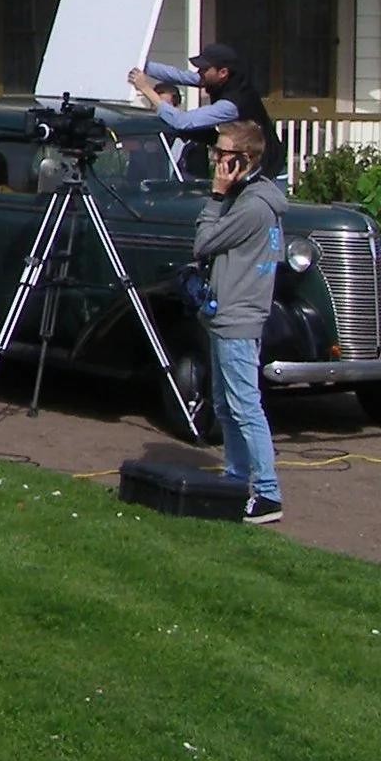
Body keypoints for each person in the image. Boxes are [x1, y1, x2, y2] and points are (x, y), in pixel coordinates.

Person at [195, 118, 289, 525]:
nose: (215, 161)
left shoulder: (251, 206)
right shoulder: (251, 198)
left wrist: (215, 197)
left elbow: (203, 243)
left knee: (245, 405)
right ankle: (236, 479)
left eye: (222, 155)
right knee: (225, 405)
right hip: (228, 313)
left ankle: (267, 493)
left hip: (238, 318)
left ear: (244, 160)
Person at [127, 43, 281, 168]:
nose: (199, 72)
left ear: (223, 73)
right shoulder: (223, 80)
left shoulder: (232, 104)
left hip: (266, 169)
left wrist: (145, 88)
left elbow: (182, 121)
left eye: (205, 69)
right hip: (244, 161)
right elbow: (180, 76)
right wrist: (139, 64)